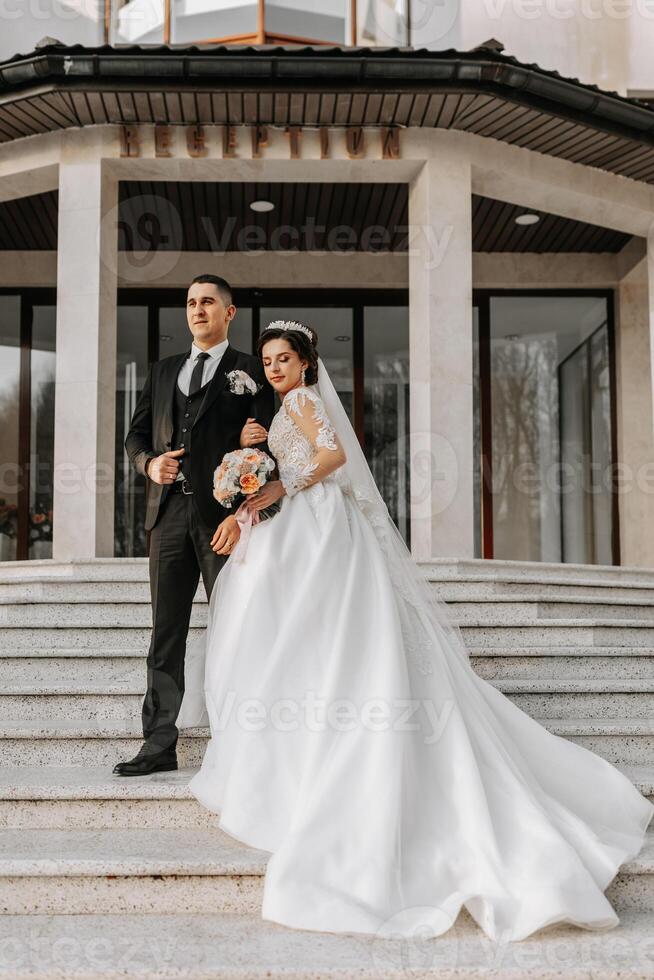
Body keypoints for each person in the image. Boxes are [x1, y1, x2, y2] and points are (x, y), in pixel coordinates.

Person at [179, 319, 654, 942]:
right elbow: (302, 455)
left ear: (303, 363)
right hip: (303, 525)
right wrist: (255, 460)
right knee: (303, 637)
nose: (273, 368)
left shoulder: (301, 399)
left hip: (317, 529)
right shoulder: (285, 406)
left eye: (283, 359)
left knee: (307, 635)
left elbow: (334, 457)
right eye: (267, 360)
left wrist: (271, 489)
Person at [113, 275, 275, 777]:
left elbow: (270, 448)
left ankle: (243, 744)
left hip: (224, 519)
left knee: (237, 630)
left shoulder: (252, 369)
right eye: (191, 303)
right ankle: (158, 744)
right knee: (165, 633)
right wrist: (148, 465)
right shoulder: (162, 371)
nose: (197, 310)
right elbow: (135, 435)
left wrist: (241, 507)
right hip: (166, 518)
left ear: (229, 313)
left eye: (208, 302)